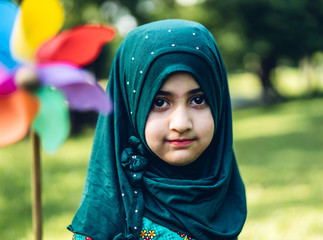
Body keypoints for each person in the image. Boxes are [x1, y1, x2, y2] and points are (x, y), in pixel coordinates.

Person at [68, 19, 247, 240]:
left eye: (198, 99)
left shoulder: (220, 187)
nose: (181, 124)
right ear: (130, 108)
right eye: (160, 102)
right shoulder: (110, 218)